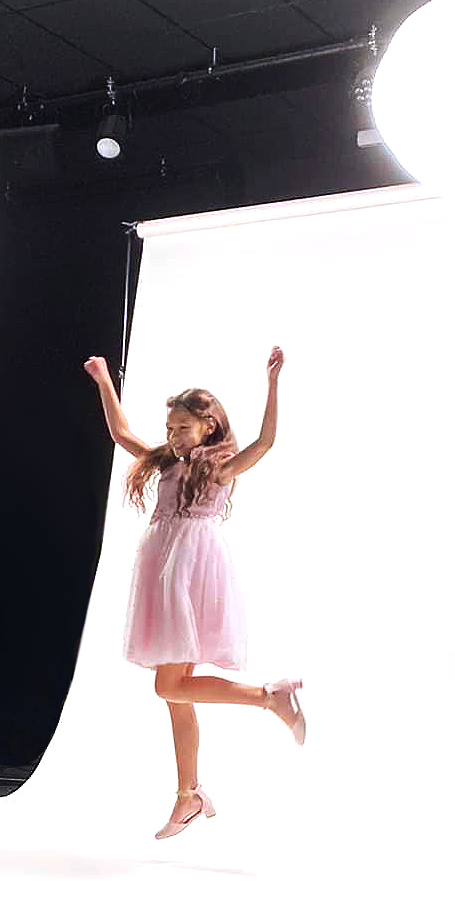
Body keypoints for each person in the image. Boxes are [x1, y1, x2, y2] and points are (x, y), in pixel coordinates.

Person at [84, 349, 306, 841]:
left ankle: (269, 697)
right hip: (163, 569)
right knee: (175, 695)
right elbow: (122, 434)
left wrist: (272, 383)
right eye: (170, 427)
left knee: (168, 686)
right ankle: (189, 794)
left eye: (183, 428)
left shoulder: (219, 468)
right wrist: (103, 379)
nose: (173, 436)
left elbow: (266, 443)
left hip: (190, 570)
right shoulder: (165, 462)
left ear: (208, 426)